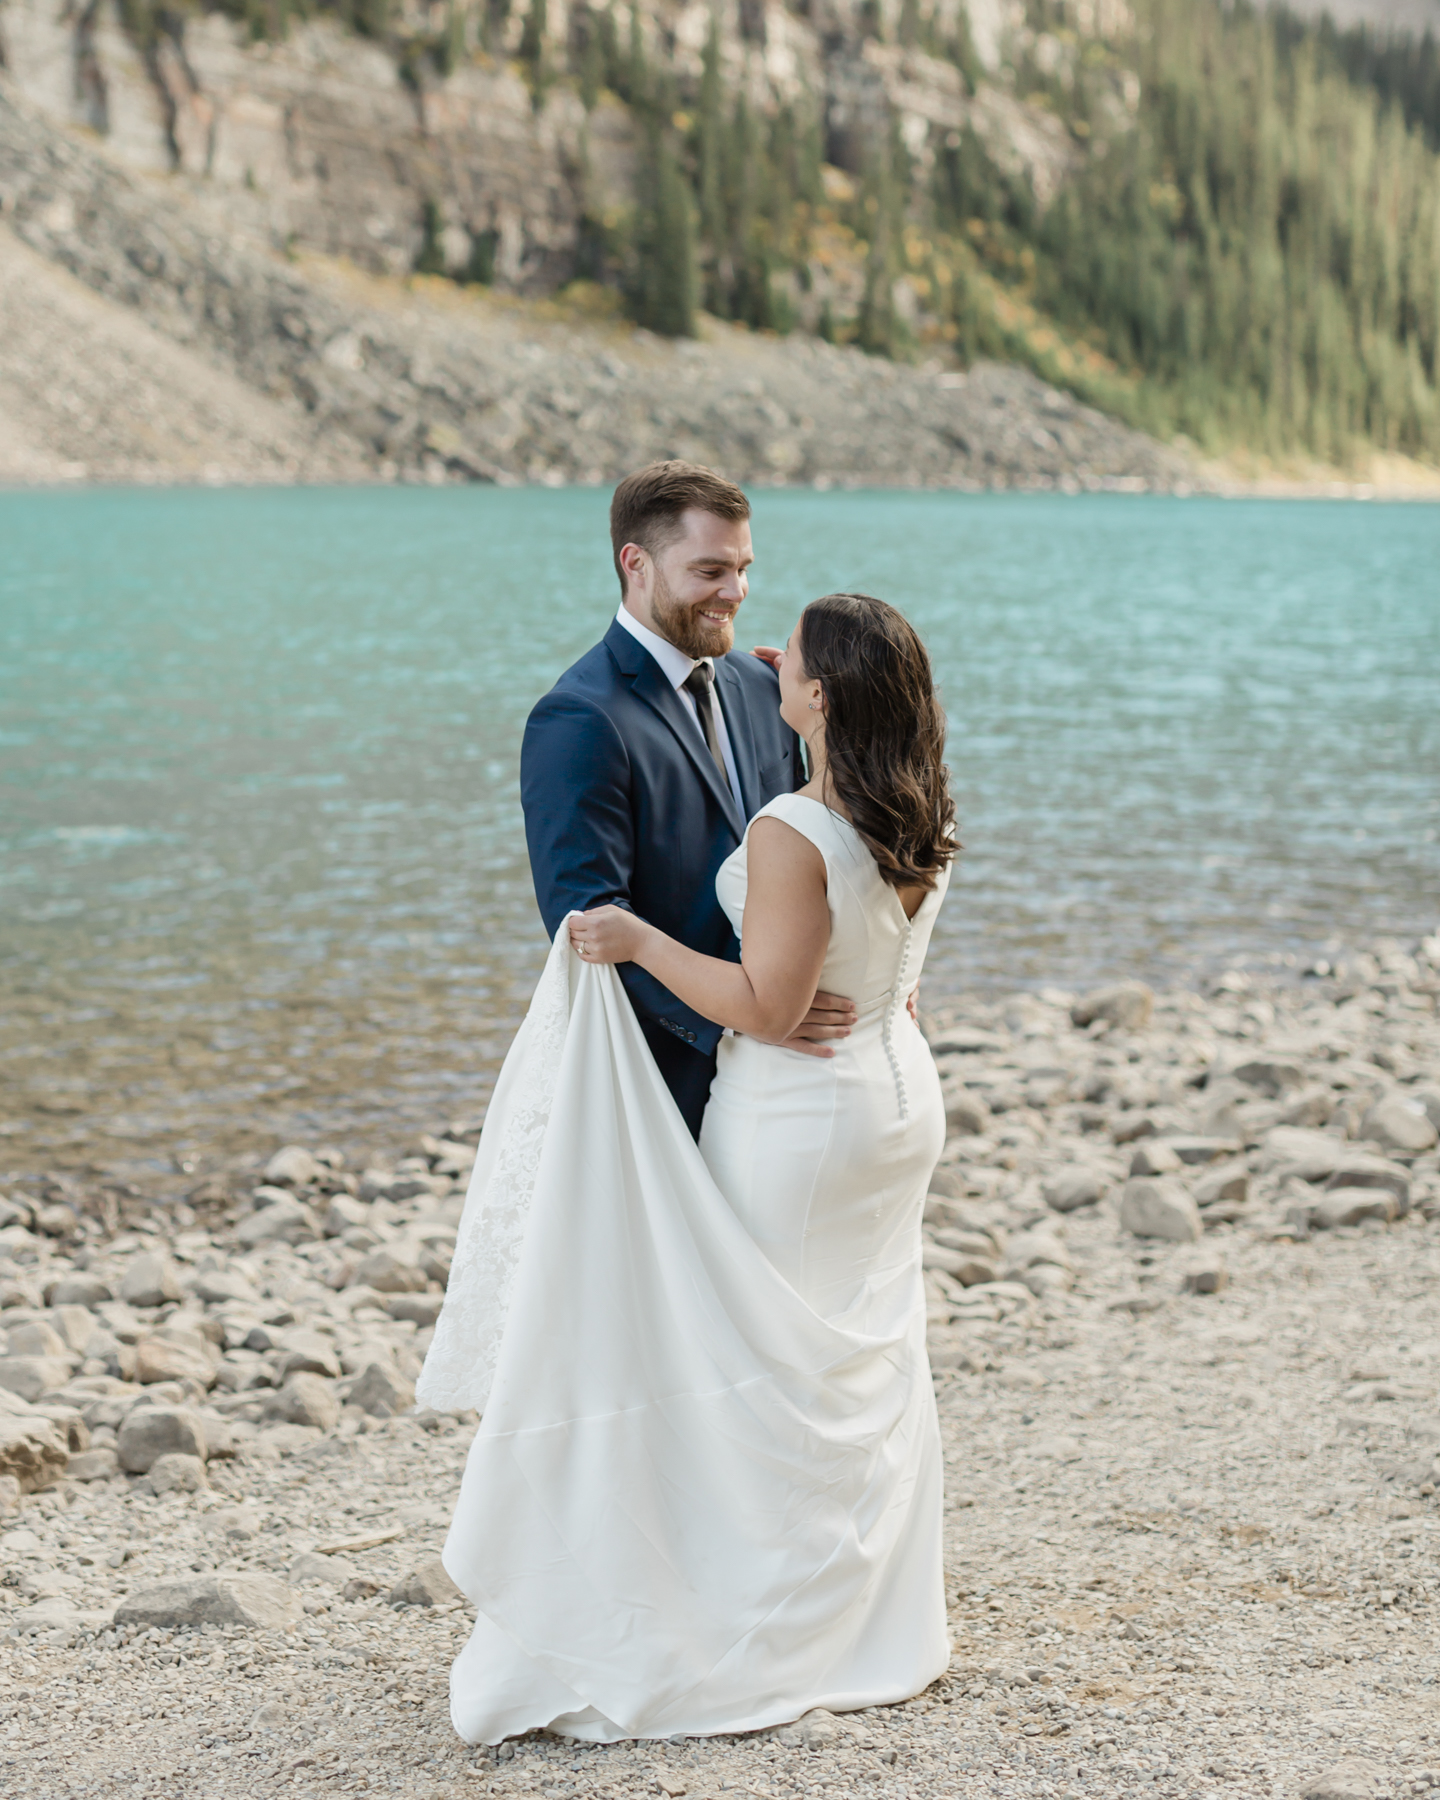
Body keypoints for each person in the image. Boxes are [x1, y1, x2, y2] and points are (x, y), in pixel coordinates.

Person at [417, 555, 957, 1744]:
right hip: (896, 1099)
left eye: (796, 658)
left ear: (817, 699)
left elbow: (766, 1006)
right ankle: (862, 1615)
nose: (772, 654)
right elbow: (868, 963)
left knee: (751, 1368)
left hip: (800, 1121)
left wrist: (638, 940)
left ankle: (747, 1627)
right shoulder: (915, 804)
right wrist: (823, 673)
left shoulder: (793, 824)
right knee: (851, 1359)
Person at [518, 459, 858, 1138]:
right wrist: (741, 1019)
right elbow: (586, 925)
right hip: (661, 1079)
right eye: (710, 571)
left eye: (743, 567)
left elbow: (815, 843)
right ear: (636, 563)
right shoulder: (579, 718)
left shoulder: (766, 688)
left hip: (787, 1072)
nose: (736, 591)